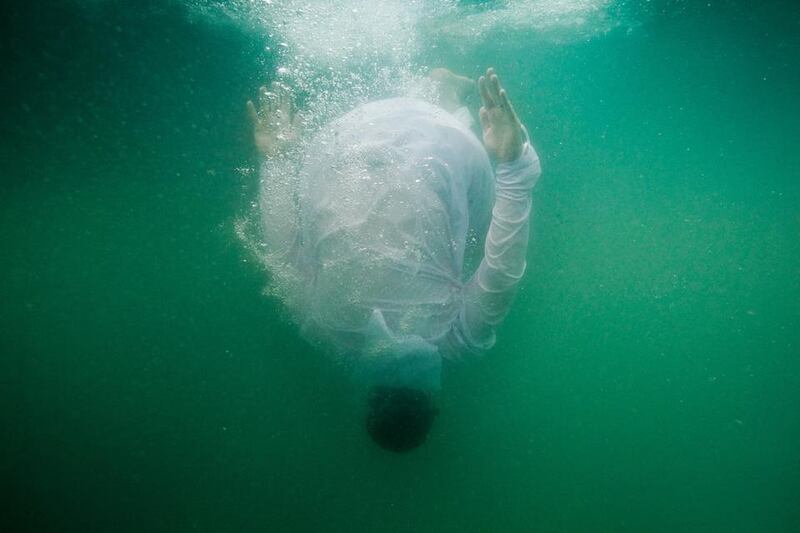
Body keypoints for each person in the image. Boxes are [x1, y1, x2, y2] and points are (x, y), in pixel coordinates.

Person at [246, 68, 542, 452]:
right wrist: (278, 158)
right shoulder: (323, 331)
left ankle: (448, 101)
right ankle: (444, 99)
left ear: (434, 407)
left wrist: (515, 164)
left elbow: (502, 270)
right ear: (369, 401)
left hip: (442, 142)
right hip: (340, 145)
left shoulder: (459, 341)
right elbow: (281, 254)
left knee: (472, 237)